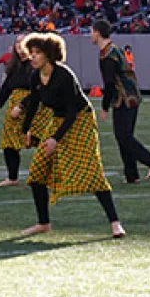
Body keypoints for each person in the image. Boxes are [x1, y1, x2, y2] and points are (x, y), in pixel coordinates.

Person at [16, 32, 124, 238]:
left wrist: (55, 139)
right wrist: (25, 130)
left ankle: (115, 223)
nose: (33, 56)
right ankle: (43, 223)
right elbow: (34, 103)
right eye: (31, 52)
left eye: (37, 52)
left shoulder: (64, 75)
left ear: (49, 54)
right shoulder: (35, 76)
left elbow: (72, 112)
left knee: (92, 171)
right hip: (58, 120)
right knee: (37, 171)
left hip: (80, 120)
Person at [91, 20, 150, 185]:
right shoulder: (113, 49)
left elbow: (109, 83)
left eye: (92, 32)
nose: (91, 35)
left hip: (125, 98)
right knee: (124, 135)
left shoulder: (108, 55)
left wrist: (104, 107)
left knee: (123, 135)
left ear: (98, 33)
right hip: (129, 96)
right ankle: (131, 175)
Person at [0, 36, 32, 187]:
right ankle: (12, 178)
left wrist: (22, 105)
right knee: (9, 142)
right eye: (17, 43)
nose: (19, 45)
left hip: (34, 106)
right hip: (14, 106)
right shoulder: (14, 65)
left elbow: (38, 91)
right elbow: (6, 88)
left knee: (43, 141)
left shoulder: (35, 65)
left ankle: (55, 175)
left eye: (23, 42)